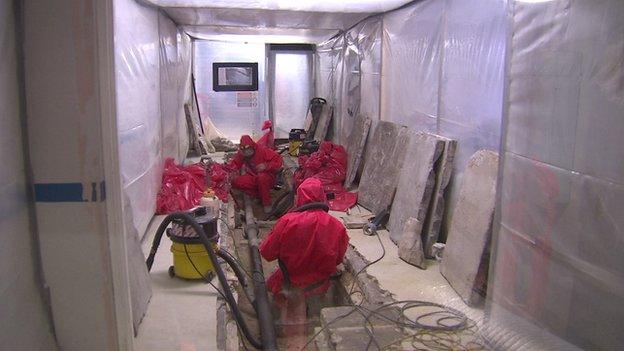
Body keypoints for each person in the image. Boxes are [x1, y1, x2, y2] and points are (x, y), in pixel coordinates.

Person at [259, 178, 349, 298]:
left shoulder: (288, 221)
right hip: (320, 284)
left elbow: (267, 253)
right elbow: (338, 259)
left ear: (300, 196)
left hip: (290, 281)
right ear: (322, 196)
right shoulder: (337, 226)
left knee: (273, 290)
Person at [228, 135, 283, 212]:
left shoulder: (262, 150)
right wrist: (229, 171)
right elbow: (235, 164)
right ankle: (259, 195)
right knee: (235, 182)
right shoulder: (242, 153)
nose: (246, 153)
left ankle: (266, 203)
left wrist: (266, 166)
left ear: (252, 147)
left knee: (262, 178)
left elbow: (278, 161)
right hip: (253, 176)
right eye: (244, 151)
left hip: (267, 177)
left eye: (248, 150)